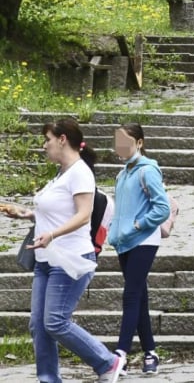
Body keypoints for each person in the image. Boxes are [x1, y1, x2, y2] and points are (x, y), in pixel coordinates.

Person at [0, 118, 126, 383]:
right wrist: (26, 214)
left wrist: (53, 234)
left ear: (62, 139)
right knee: (39, 326)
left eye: (47, 140)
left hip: (70, 259)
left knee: (55, 322)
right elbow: (57, 213)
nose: (44, 146)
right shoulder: (62, 174)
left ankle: (108, 362)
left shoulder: (80, 172)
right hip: (47, 259)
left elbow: (83, 215)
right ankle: (48, 379)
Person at [107, 123, 170, 376]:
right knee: (139, 297)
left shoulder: (148, 171)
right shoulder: (122, 174)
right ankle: (150, 352)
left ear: (140, 143)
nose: (121, 146)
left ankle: (120, 353)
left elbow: (162, 208)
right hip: (124, 242)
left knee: (131, 294)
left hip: (144, 240)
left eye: (126, 141)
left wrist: (139, 224)